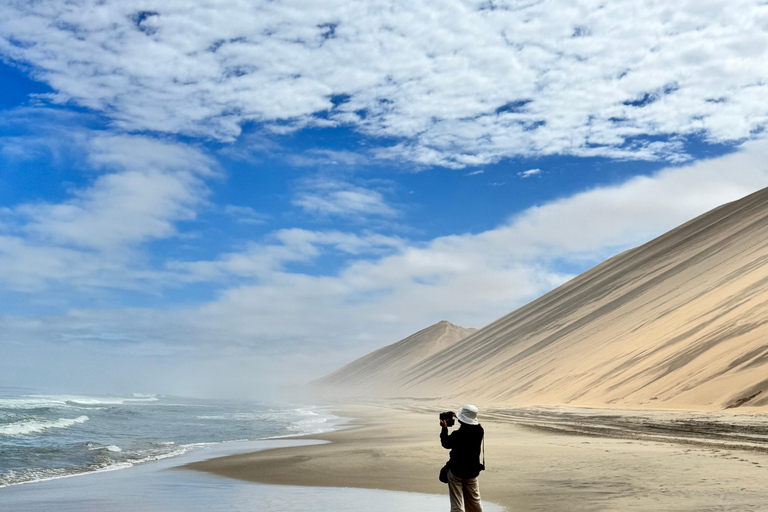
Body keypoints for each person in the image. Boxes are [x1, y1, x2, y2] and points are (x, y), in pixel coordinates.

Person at [440, 404, 484, 512]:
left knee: (456, 503)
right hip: (472, 471)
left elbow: (446, 443)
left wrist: (444, 429)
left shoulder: (457, 435)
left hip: (456, 471)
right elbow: (471, 426)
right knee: (474, 501)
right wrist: (458, 416)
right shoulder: (479, 431)